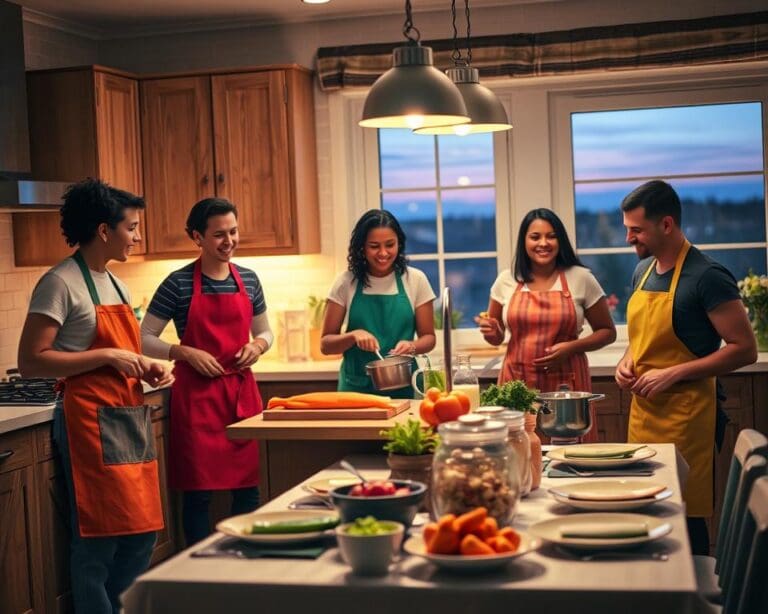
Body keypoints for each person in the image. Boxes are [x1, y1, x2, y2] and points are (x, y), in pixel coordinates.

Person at [18, 178, 173, 614]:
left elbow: (126, 348)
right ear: (104, 230)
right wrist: (107, 354)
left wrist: (148, 365)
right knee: (98, 541)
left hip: (126, 418)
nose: (138, 236)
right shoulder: (60, 282)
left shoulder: (115, 283)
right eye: (132, 227)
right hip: (87, 421)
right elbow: (32, 360)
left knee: (142, 534)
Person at [615, 179, 757, 555]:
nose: (629, 237)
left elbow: (745, 350)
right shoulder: (642, 271)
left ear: (666, 224)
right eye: (627, 228)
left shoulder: (708, 276)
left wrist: (674, 372)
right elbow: (642, 338)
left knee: (685, 518)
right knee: (648, 509)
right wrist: (626, 361)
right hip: (644, 413)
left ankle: (693, 597)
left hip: (688, 417)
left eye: (636, 229)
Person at [140, 198, 273, 546]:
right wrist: (182, 352)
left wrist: (257, 347)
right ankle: (198, 568)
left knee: (247, 490)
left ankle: (248, 559)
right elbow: (142, 338)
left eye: (233, 231)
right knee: (197, 495)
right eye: (218, 235)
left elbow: (266, 332)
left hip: (241, 398)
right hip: (196, 400)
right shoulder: (177, 283)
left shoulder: (249, 279)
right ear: (196, 237)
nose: (228, 241)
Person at [477, 208, 616, 442]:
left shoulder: (580, 278)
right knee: (518, 451)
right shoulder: (507, 279)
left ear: (560, 240)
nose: (544, 243)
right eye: (535, 237)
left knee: (568, 454)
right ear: (524, 241)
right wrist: (493, 331)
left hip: (566, 386)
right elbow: (496, 337)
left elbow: (608, 332)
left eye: (551, 236)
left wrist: (571, 347)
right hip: (517, 384)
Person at [321, 209, 436, 398]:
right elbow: (326, 345)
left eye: (390, 245)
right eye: (374, 246)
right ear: (362, 248)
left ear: (399, 243)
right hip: (355, 390)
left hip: (403, 386)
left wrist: (412, 346)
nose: (383, 253)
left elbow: (429, 337)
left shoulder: (415, 279)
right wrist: (353, 336)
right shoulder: (345, 282)